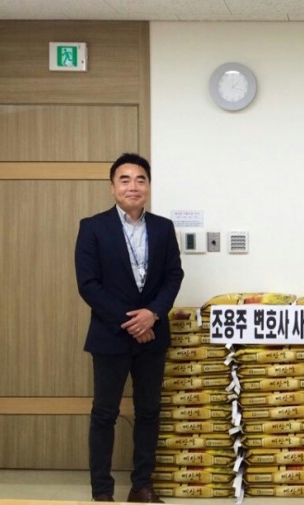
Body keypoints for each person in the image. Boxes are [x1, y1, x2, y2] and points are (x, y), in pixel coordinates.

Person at [75, 153, 184, 503]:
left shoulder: (163, 228)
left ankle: (141, 486)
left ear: (148, 186)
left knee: (149, 412)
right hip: (110, 336)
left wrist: (152, 314)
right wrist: (133, 322)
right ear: (112, 187)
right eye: (124, 180)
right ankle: (102, 492)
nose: (133, 186)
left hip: (153, 336)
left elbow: (173, 275)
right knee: (104, 414)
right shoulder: (92, 227)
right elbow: (88, 284)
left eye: (140, 179)